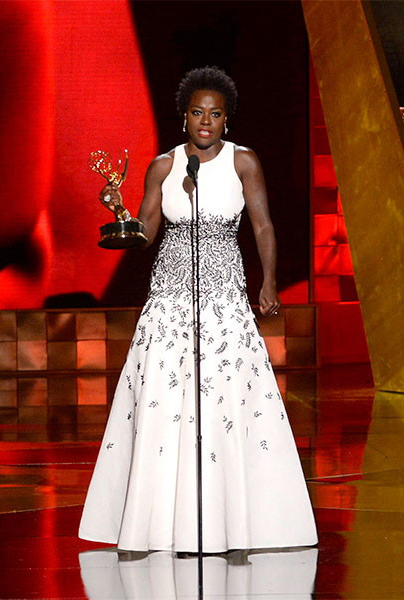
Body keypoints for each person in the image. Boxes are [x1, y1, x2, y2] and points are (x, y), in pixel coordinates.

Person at [78, 67, 317, 553]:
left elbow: (264, 226)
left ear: (226, 120)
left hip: (225, 296)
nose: (205, 122)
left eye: (215, 114)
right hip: (169, 294)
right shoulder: (164, 168)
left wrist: (268, 281)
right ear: (184, 116)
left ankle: (234, 526)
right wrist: (117, 213)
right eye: (196, 113)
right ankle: (152, 524)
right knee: (163, 400)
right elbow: (144, 234)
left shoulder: (243, 162)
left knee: (224, 400)